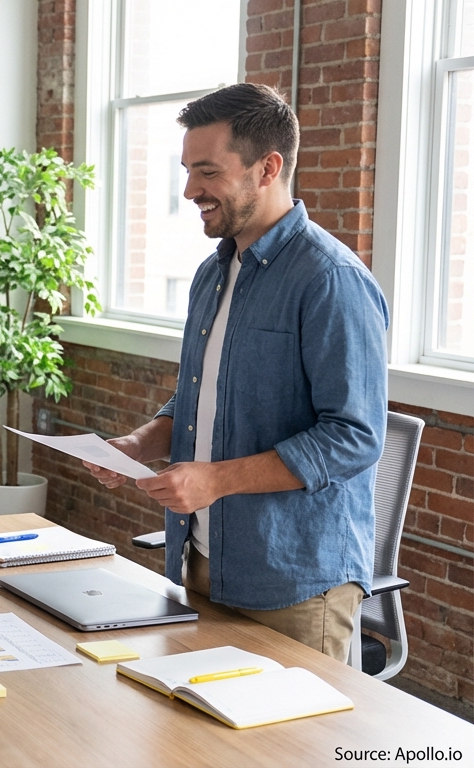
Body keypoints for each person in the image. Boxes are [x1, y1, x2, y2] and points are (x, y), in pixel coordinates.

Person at [83, 83, 389, 662]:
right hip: (200, 562)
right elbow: (200, 398)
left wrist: (216, 480)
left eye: (207, 172)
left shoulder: (330, 280)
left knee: (289, 753)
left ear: (267, 168)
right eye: (187, 170)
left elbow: (355, 436)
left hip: (292, 586)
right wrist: (140, 443)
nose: (190, 190)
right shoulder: (212, 274)